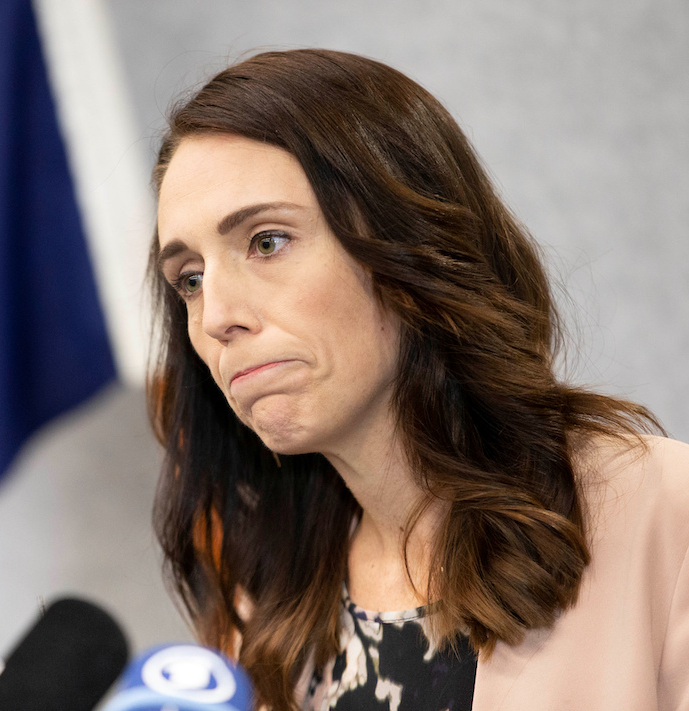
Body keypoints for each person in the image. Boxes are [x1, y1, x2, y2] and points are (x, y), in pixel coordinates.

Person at [146, 49, 689, 711]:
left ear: (408, 241)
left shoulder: (665, 513)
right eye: (190, 280)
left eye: (266, 241)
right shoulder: (263, 594)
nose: (219, 317)